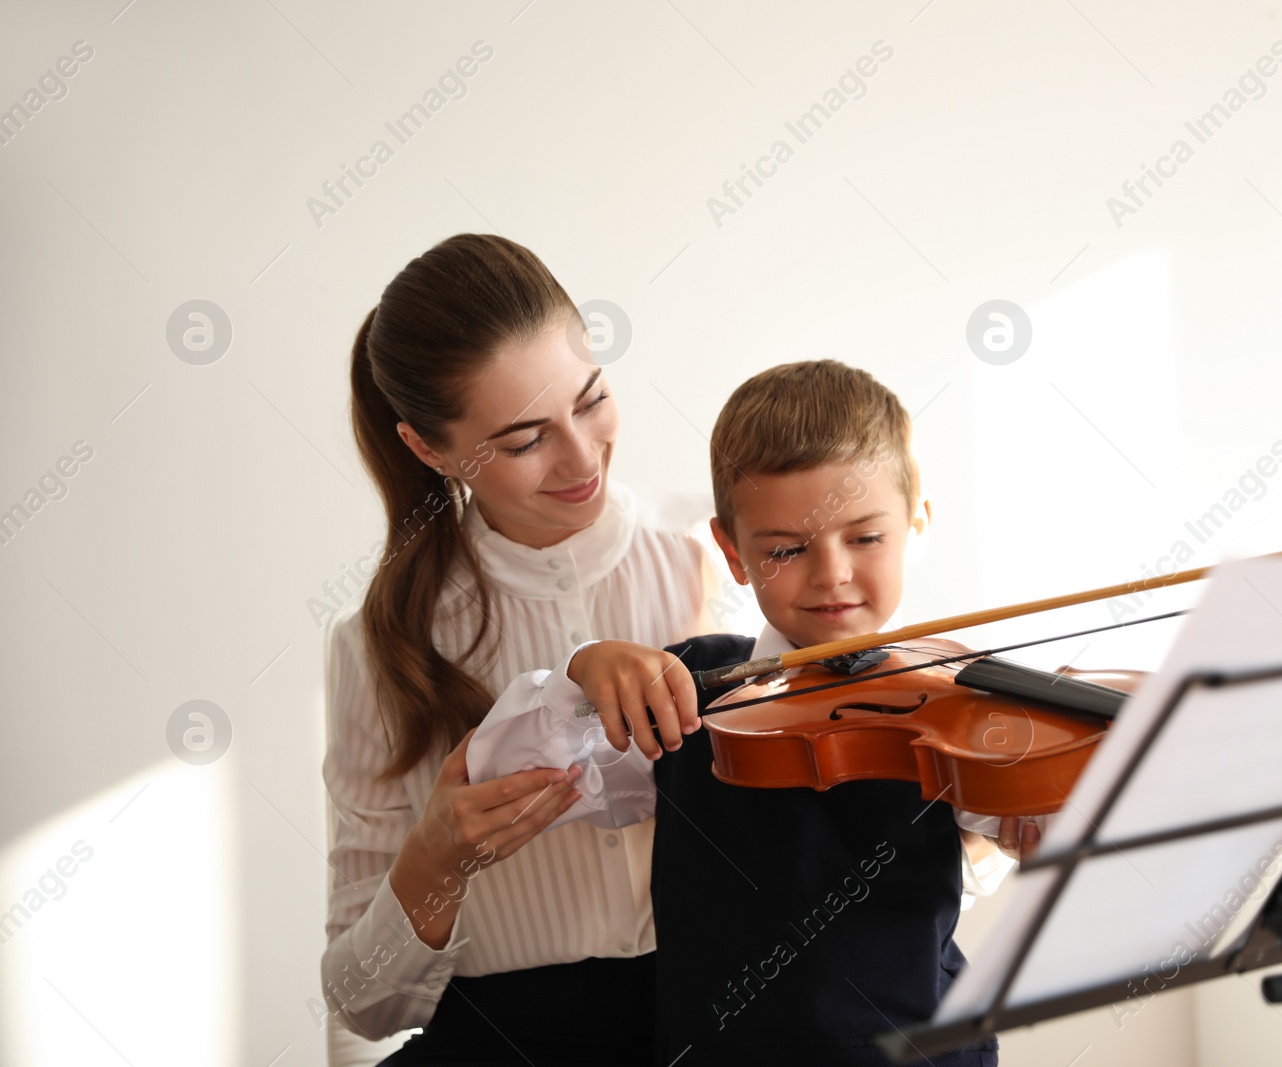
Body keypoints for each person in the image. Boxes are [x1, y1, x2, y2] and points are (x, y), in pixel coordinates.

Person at [469, 360, 1014, 1065]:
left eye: (865, 537)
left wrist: (1044, 825)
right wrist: (580, 673)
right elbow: (505, 766)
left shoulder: (956, 696)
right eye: (786, 548)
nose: (832, 573)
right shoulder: (692, 690)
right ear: (731, 550)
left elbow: (1036, 820)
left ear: (917, 524)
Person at [320, 233, 711, 1067]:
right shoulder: (379, 648)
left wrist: (983, 827)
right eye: (525, 439)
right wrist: (435, 859)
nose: (581, 458)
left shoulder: (720, 559)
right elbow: (363, 1004)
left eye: (593, 398)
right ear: (430, 449)